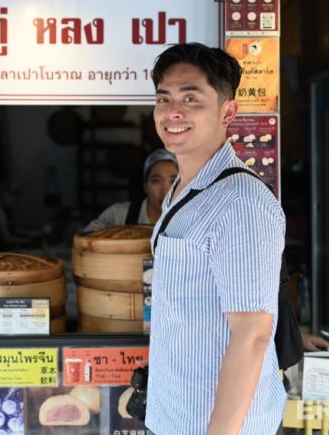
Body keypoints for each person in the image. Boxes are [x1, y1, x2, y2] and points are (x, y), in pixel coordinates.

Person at [145, 43, 285, 435]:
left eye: (191, 98)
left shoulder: (240, 201)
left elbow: (252, 335)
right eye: (164, 98)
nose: (173, 111)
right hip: (175, 415)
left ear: (228, 112)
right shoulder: (183, 189)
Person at [84, 148, 178, 232]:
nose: (165, 190)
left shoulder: (187, 221)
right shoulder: (119, 215)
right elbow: (86, 240)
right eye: (156, 181)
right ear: (145, 186)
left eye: (173, 181)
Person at [0, 180, 33, 251]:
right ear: (4, 196)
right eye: (12, 196)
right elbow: (8, 239)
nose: (14, 200)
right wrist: (28, 240)